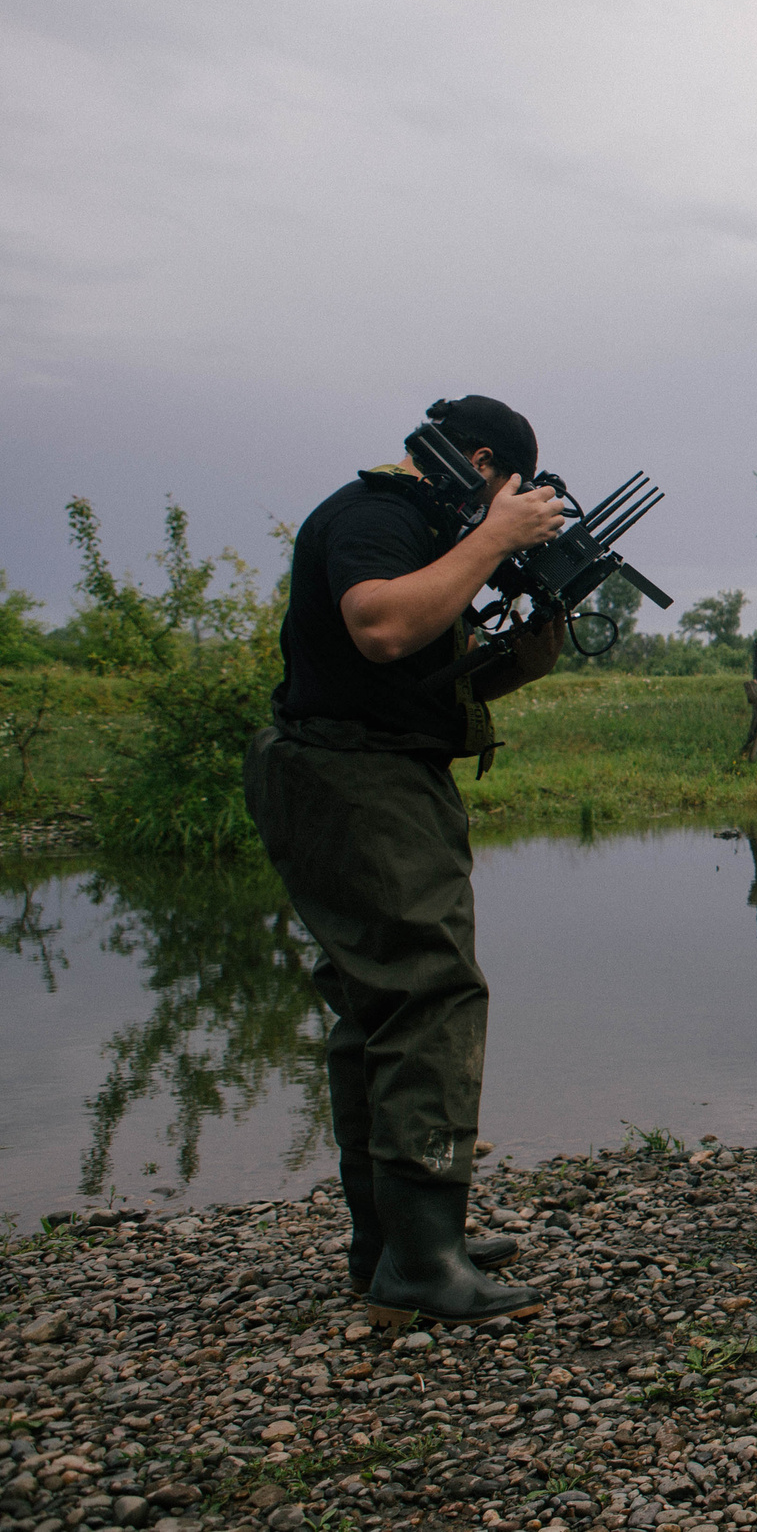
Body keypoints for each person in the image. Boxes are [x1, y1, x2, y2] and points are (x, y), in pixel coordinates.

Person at [243, 395, 569, 1324]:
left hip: (375, 769)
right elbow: (381, 627)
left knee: (378, 1002)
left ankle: (394, 1239)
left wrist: (538, 625)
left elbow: (426, 670)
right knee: (430, 993)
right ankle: (421, 1263)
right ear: (478, 462)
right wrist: (490, 540)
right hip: (351, 777)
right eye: (511, 489)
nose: (510, 507)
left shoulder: (425, 531)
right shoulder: (376, 516)